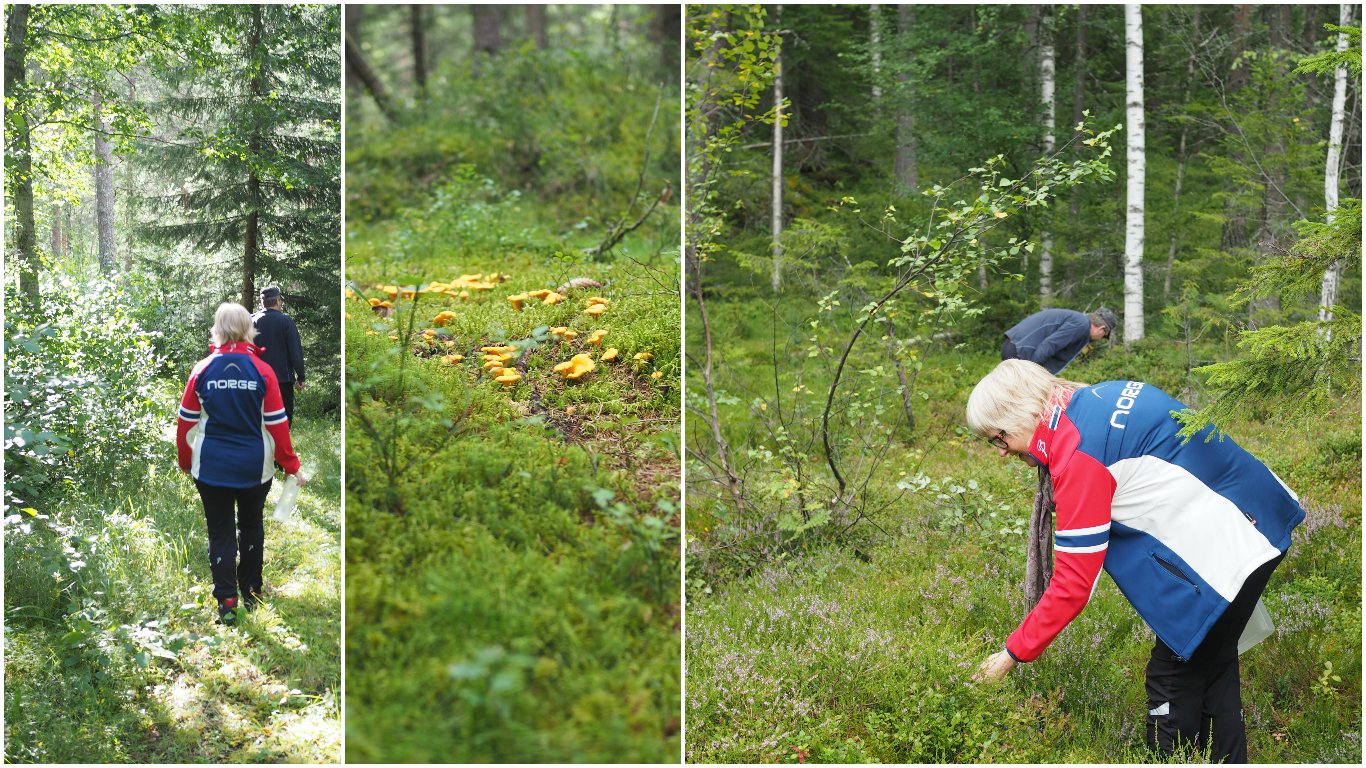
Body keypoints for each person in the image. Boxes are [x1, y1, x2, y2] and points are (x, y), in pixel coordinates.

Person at [964, 359, 1303, 764]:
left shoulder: (1079, 455)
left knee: (1172, 680)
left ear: (1020, 413)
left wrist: (1009, 656)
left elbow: (1072, 586)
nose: (1002, 452)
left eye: (998, 438)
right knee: (1213, 665)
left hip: (1235, 541)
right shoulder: (1102, 395)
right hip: (1258, 514)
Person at [176, 303, 307, 626]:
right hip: (255, 469)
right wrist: (291, 466)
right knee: (251, 526)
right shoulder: (263, 371)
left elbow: (185, 425)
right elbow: (278, 426)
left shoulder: (202, 370)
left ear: (217, 330)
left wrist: (186, 461)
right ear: (249, 330)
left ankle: (227, 602)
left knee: (220, 531)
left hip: (210, 468)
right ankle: (251, 592)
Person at [1001, 306, 1118, 374]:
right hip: (1020, 353)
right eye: (1103, 336)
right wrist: (1032, 372)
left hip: (1013, 346)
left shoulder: (1078, 320)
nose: (1099, 340)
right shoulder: (1081, 325)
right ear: (1101, 329)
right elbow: (1049, 345)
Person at [251, 286, 306, 426]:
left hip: (256, 379)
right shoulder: (286, 322)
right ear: (277, 301)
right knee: (284, 419)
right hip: (282, 380)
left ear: (263, 302)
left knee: (257, 418)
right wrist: (301, 376)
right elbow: (295, 351)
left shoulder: (251, 321)